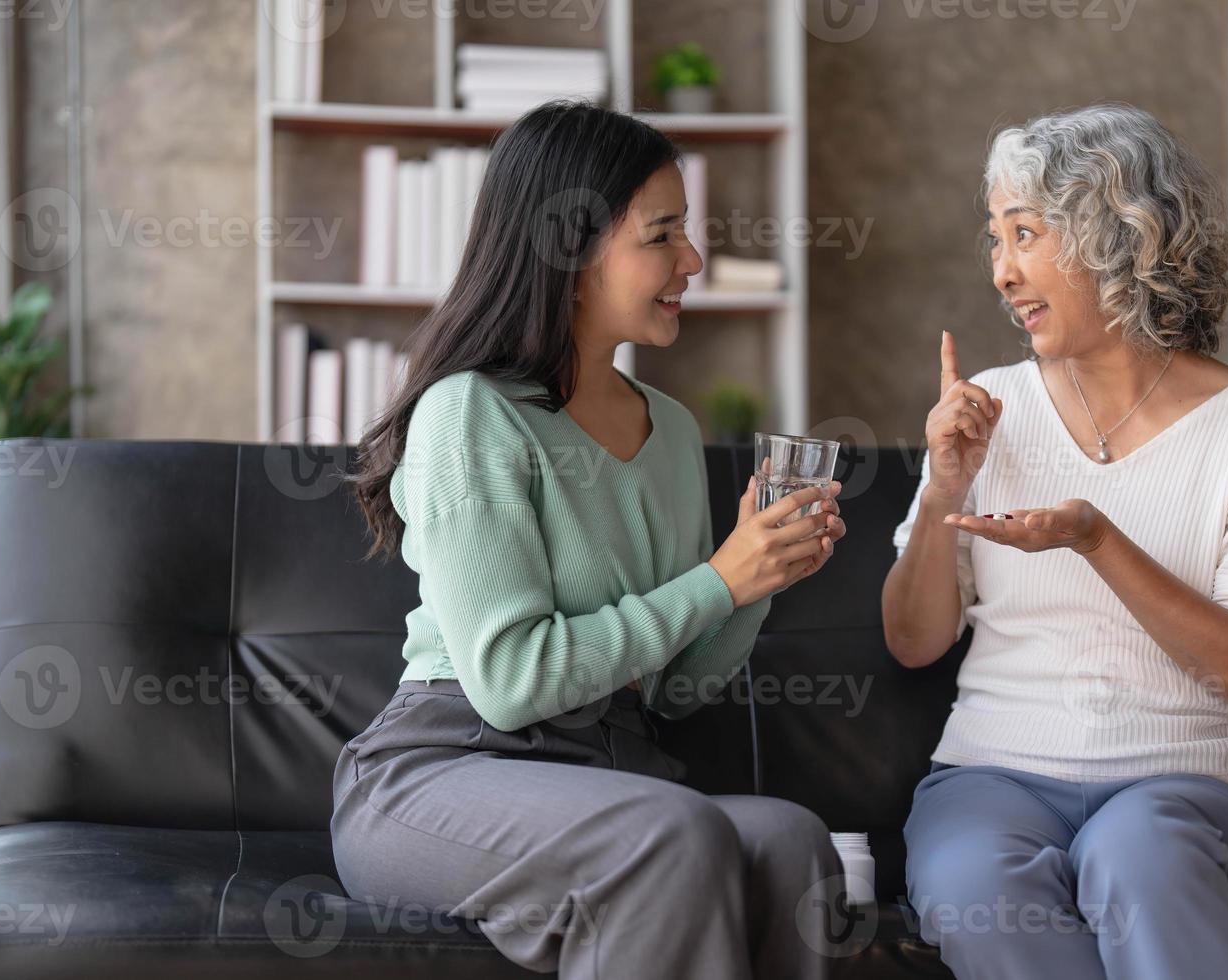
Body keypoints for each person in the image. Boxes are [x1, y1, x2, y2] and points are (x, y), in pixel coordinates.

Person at [333, 101, 849, 980]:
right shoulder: (472, 412)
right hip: (443, 770)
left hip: (610, 765)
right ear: (571, 250)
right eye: (664, 235)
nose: (692, 260)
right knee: (668, 831)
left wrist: (755, 578)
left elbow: (677, 690)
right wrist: (718, 582)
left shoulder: (673, 432)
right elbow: (509, 682)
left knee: (789, 842)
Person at [881, 103, 1228, 980]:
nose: (1000, 270)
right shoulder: (991, 407)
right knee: (968, 880)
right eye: (994, 239)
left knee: (1134, 850)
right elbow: (913, 642)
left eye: (1023, 233)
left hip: (1187, 790)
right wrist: (946, 481)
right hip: (991, 779)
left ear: (1117, 237)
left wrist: (1096, 539)